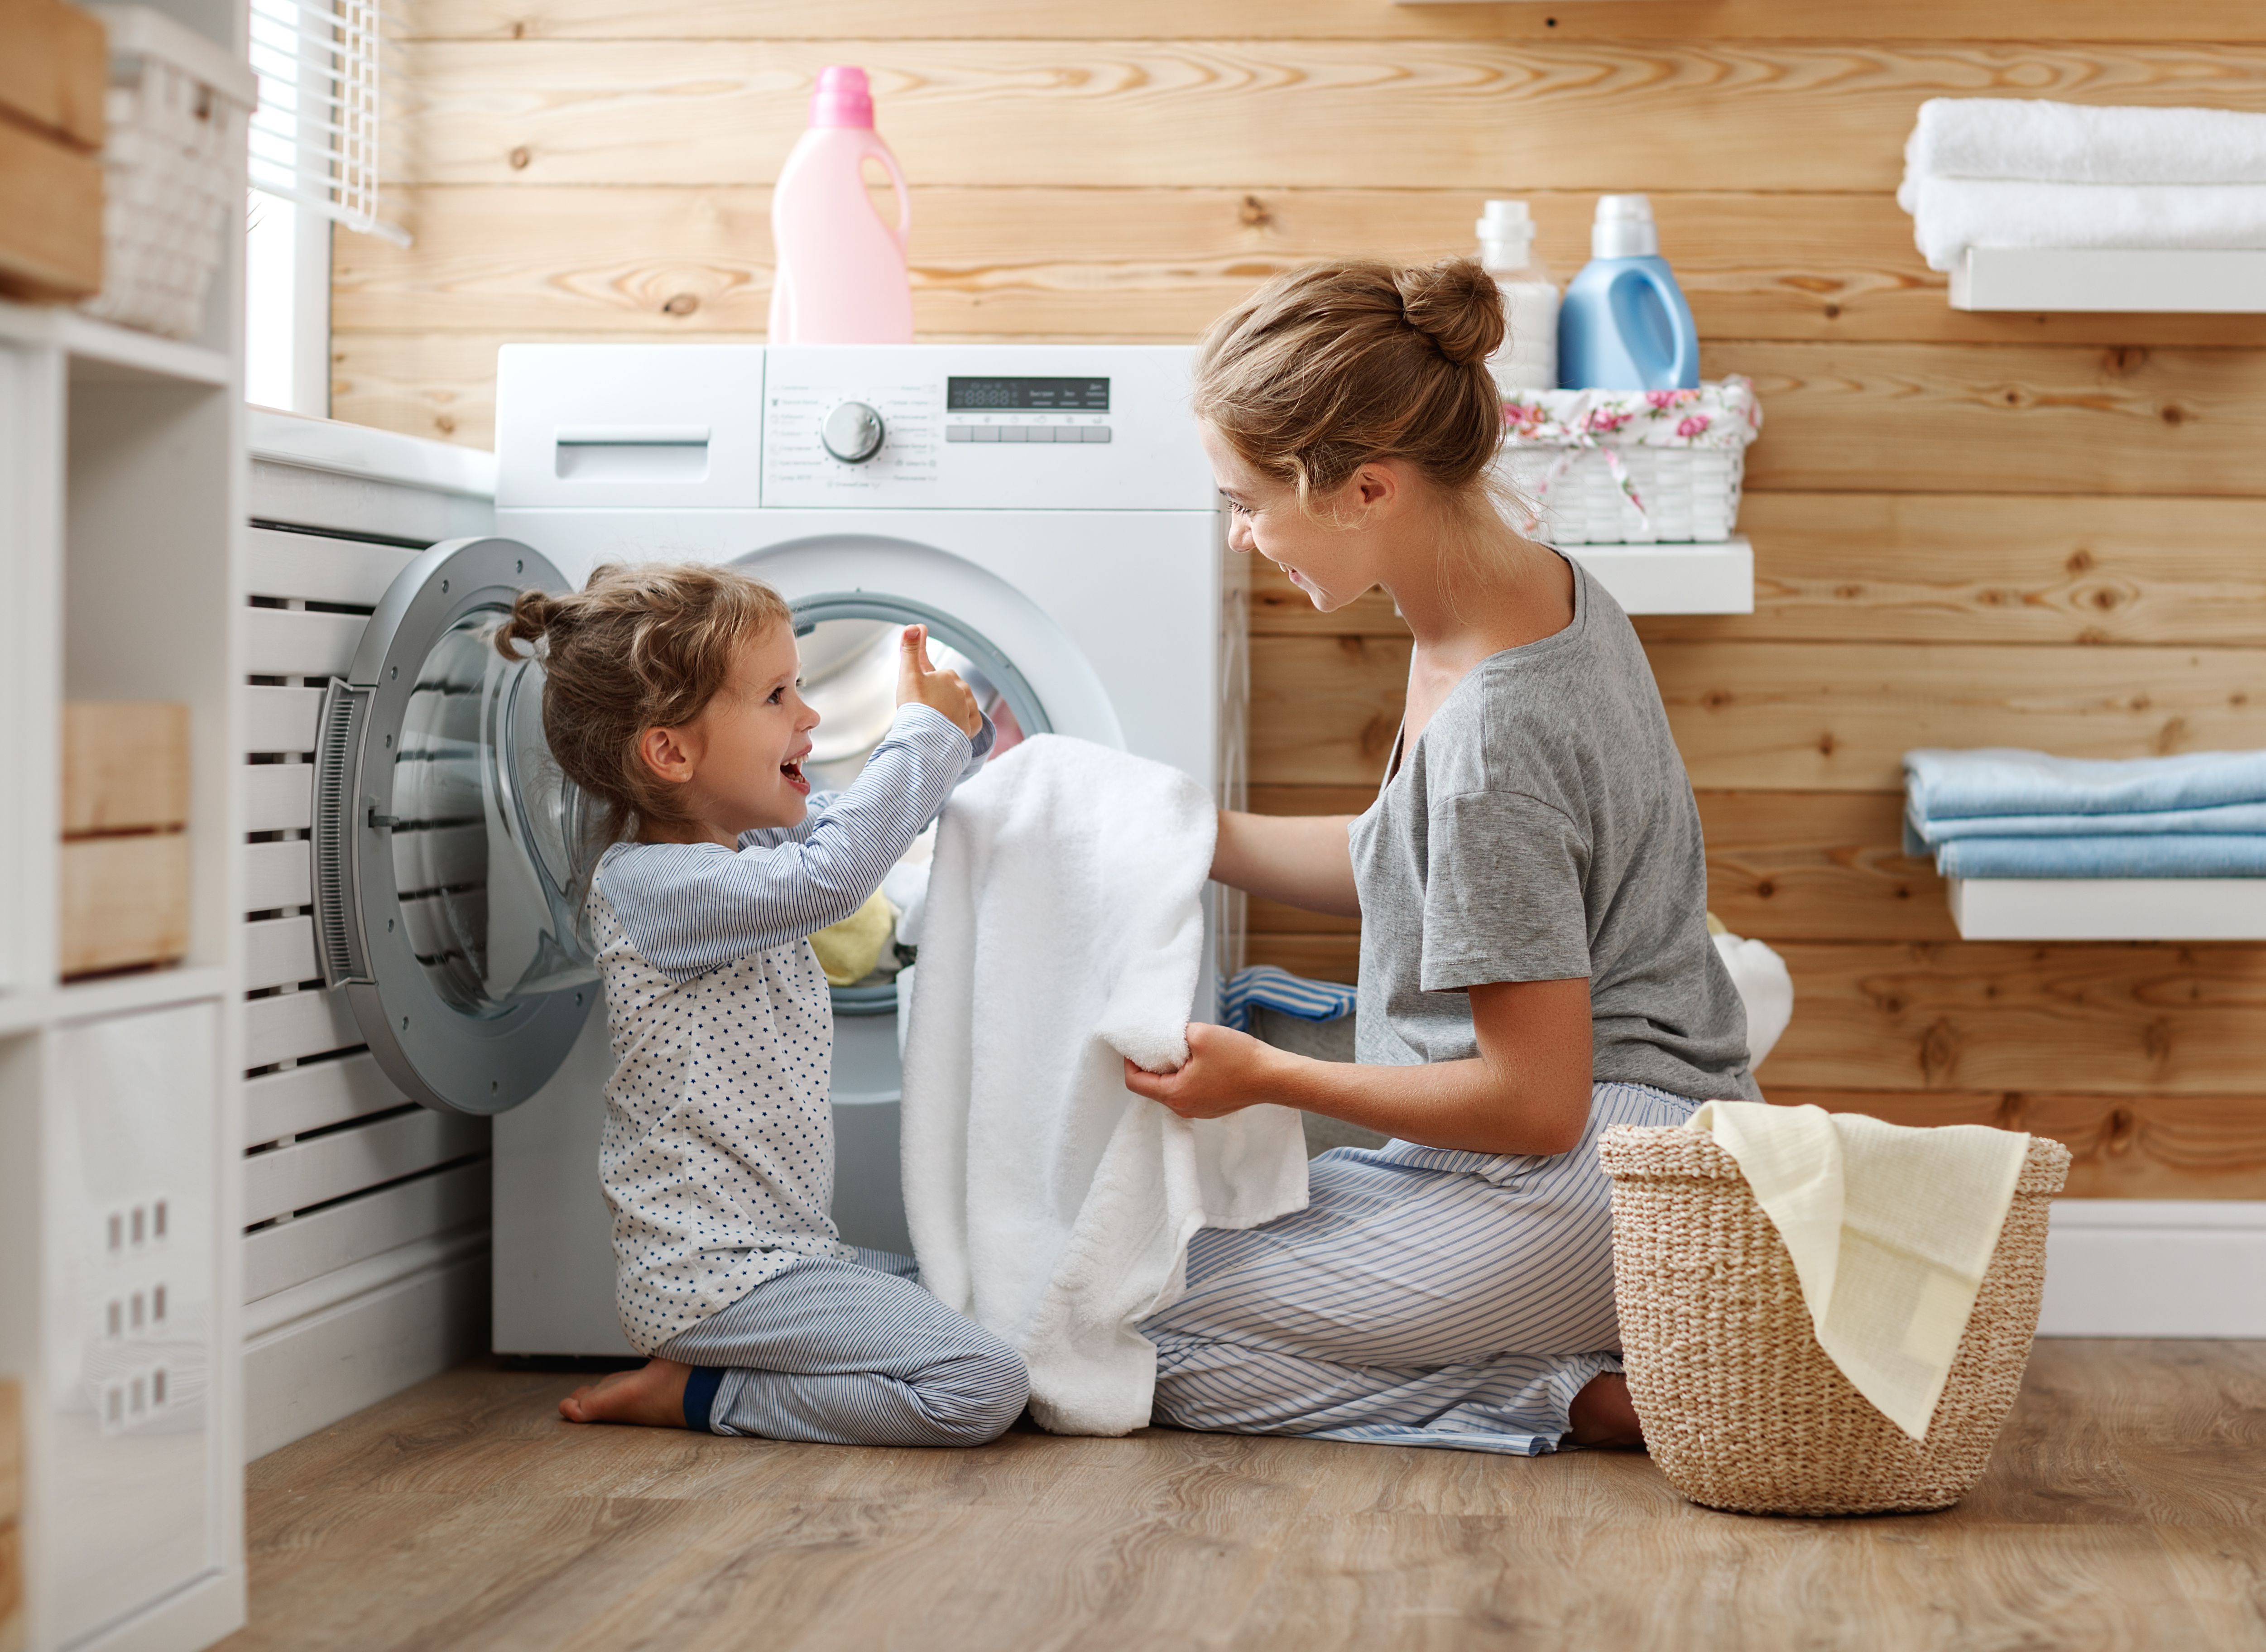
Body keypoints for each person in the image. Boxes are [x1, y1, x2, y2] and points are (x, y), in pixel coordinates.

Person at [1125, 258, 1760, 1454]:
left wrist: (1265, 1075)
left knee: (1115, 1318)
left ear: (1367, 487)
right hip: (1635, 1152)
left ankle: (1566, 1395)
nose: (1244, 538)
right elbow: (1400, 858)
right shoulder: (1538, 596)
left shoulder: (1493, 734)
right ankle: (1563, 1365)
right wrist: (1164, 834)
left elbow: (1530, 1103)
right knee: (1126, 1280)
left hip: (1586, 1182)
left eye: (1247, 502)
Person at [500, 563, 1029, 1445]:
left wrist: (956, 735)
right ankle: (701, 1396)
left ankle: (707, 1374)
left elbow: (844, 828)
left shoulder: (743, 848)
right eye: (779, 695)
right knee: (981, 1383)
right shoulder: (654, 885)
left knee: (991, 1291)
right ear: (672, 752)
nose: (810, 717)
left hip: (787, 1261)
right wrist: (922, 739)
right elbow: (836, 873)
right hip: (710, 1278)